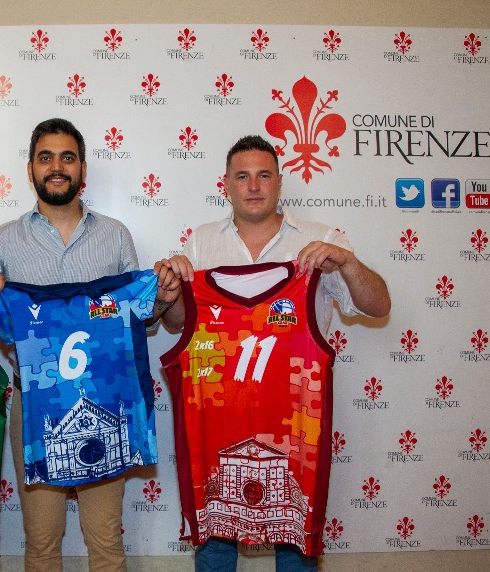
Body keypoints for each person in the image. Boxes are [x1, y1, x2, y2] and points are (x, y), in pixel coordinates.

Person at [0, 118, 181, 572]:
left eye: (67, 157)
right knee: (41, 543)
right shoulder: (3, 239)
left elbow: (136, 318)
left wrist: (162, 299)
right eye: (46, 157)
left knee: (106, 543)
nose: (57, 167)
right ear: (31, 169)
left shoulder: (115, 234)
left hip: (106, 402)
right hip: (35, 404)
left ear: (82, 169)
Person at [161, 134, 390, 572]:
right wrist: (172, 290)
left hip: (293, 428)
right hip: (218, 427)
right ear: (226, 184)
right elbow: (177, 325)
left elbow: (379, 306)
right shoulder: (201, 242)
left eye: (263, 175)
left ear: (280, 182)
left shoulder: (322, 239)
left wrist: (347, 262)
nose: (253, 186)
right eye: (242, 177)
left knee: (296, 543)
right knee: (215, 542)